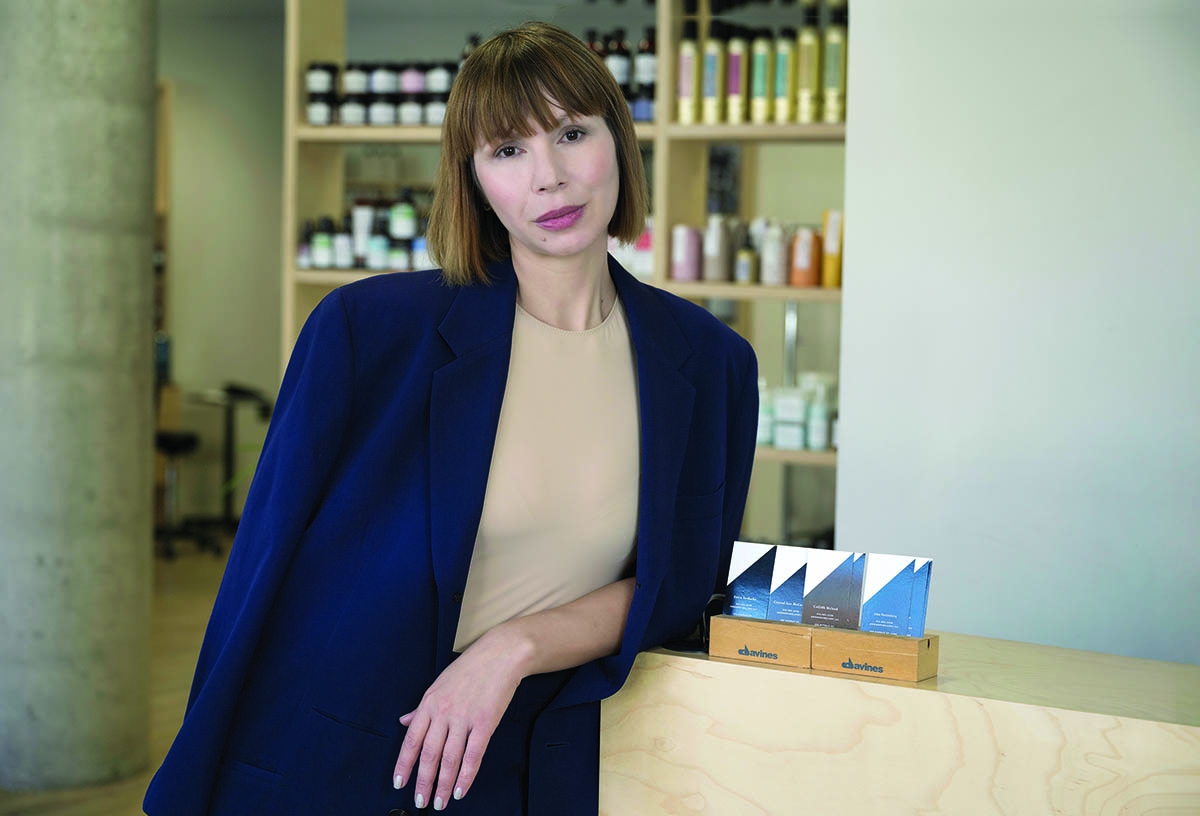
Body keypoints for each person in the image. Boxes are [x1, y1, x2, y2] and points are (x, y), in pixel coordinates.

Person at [144, 21, 758, 816]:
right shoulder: (368, 331)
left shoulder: (710, 363)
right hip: (339, 756)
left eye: (572, 133)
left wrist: (514, 647)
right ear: (473, 178)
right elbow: (258, 578)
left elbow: (681, 584)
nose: (549, 177)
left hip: (533, 762)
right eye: (508, 150)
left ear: (620, 140)